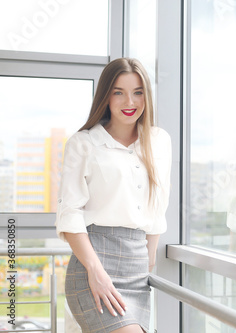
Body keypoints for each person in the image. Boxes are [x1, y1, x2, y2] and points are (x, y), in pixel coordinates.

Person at [55, 57, 172, 333]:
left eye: (138, 92)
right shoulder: (83, 143)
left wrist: (148, 259)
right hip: (92, 266)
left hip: (137, 270)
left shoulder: (159, 141)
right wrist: (96, 272)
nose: (129, 102)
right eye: (118, 92)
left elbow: (158, 207)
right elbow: (69, 214)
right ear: (106, 96)